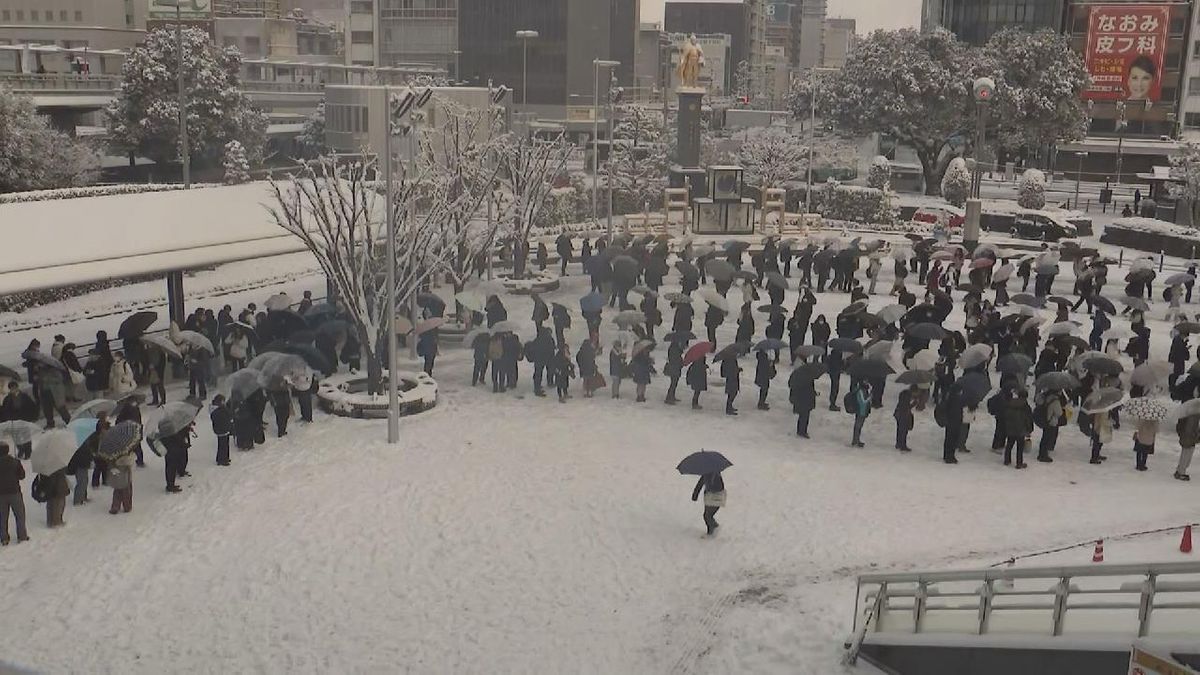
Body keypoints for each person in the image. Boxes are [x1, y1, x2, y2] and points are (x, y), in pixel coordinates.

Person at [0, 442, 29, 545]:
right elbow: (22, 476)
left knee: (2, 517)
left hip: (1, 494)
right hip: (14, 492)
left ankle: (4, 538)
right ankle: (22, 536)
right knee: (20, 515)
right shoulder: (15, 462)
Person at [0, 382, 38, 459]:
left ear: (17, 387)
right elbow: (5, 410)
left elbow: (32, 406)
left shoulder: (24, 396)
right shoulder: (7, 399)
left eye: (14, 387)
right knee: (16, 437)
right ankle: (21, 449)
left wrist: (33, 417)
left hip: (24, 419)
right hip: (13, 421)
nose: (13, 390)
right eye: (11, 388)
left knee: (26, 436)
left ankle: (28, 451)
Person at [67, 419, 98, 505]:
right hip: (80, 463)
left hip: (82, 462)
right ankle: (78, 500)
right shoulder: (80, 442)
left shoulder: (83, 441)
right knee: (81, 481)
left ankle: (83, 496)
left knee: (84, 480)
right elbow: (82, 454)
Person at [157, 424, 192, 493]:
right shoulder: (172, 425)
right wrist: (184, 444)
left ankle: (171, 484)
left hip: (169, 447)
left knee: (171, 466)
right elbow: (177, 437)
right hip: (173, 448)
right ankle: (170, 486)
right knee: (171, 467)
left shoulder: (163, 422)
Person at [1003, 388, 1033, 469]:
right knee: (1020, 447)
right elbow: (1028, 419)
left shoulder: (1011, 403)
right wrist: (1029, 429)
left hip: (1011, 428)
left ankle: (1007, 460)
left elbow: (1006, 416)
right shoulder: (1026, 406)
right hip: (1021, 429)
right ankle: (1019, 463)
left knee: (1009, 444)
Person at [690, 471, 725, 536]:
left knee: (707, 516)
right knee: (707, 515)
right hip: (709, 497)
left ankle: (712, 530)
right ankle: (713, 528)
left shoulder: (716, 475)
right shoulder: (706, 475)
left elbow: (720, 487)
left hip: (716, 497)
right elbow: (699, 485)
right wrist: (695, 495)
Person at [1036, 389, 1066, 463]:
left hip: (1045, 420)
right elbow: (1059, 413)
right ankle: (1044, 455)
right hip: (1051, 422)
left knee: (1044, 438)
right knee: (1048, 438)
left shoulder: (1045, 397)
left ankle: (1041, 453)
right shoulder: (1055, 401)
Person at [940, 382, 965, 464]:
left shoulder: (950, 396)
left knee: (949, 439)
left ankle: (947, 455)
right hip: (954, 421)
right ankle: (950, 456)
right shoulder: (956, 398)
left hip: (951, 421)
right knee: (952, 439)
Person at [789, 367, 817, 437]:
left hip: (801, 399)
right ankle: (802, 431)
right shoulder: (808, 377)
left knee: (802, 415)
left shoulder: (797, 376)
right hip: (805, 399)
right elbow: (809, 389)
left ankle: (800, 430)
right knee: (805, 416)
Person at [848, 379, 871, 448]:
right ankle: (855, 441)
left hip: (862, 411)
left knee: (859, 426)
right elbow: (863, 402)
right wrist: (869, 398)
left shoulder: (862, 390)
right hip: (861, 411)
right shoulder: (860, 391)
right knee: (858, 426)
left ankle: (857, 440)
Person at [894, 384, 917, 452]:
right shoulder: (907, 396)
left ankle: (898, 443)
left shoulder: (904, 393)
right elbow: (906, 407)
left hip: (898, 413)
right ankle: (902, 445)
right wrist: (913, 404)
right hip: (903, 414)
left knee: (900, 429)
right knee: (903, 430)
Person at [211, 395, 233, 466]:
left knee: (223, 444)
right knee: (223, 445)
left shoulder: (215, 409)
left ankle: (224, 457)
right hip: (222, 429)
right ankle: (222, 459)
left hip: (220, 429)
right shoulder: (221, 410)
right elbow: (229, 415)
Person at [1175, 413, 1197, 481]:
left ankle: (1179, 470)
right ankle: (1181, 472)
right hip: (1190, 437)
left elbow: (1179, 425)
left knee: (1185, 453)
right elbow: (1193, 428)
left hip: (1186, 436)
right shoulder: (1194, 416)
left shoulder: (1185, 413)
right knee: (1187, 455)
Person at [664, 339, 685, 405]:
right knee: (673, 383)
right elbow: (676, 358)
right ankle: (669, 397)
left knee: (674, 383)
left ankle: (671, 396)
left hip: (675, 367)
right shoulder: (674, 349)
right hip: (674, 368)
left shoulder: (673, 348)